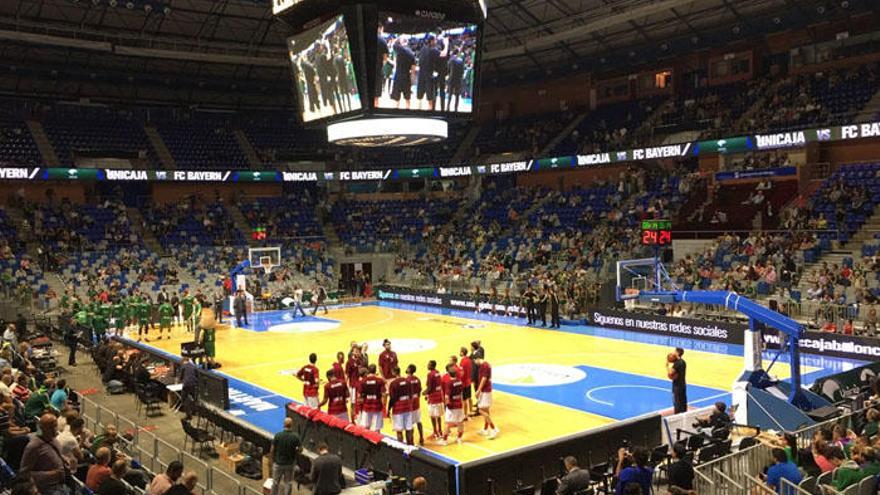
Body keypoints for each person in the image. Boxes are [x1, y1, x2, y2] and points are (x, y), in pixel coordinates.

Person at [20, 413, 70, 495]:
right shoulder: (33, 447)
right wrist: (50, 474)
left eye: (55, 426)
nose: (54, 429)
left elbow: (54, 455)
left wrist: (64, 459)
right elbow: (24, 474)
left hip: (61, 484)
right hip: (46, 488)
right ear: (43, 428)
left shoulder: (54, 440)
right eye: (51, 427)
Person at [269, 417, 301, 495]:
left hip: (278, 464)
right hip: (290, 464)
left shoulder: (278, 435)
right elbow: (300, 449)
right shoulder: (295, 437)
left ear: (284, 425)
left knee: (275, 483)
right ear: (292, 425)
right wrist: (296, 450)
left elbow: (272, 450)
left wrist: (272, 461)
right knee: (288, 483)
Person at [438, 364, 464, 446]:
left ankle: (444, 440)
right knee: (460, 422)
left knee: (447, 423)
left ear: (449, 374)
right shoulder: (460, 381)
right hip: (459, 404)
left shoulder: (449, 383)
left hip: (452, 406)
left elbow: (446, 396)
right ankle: (459, 438)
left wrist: (446, 404)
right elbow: (461, 393)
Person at [388, 366, 414, 444]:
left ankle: (401, 448)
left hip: (398, 408)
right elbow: (411, 394)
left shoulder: (393, 383)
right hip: (407, 407)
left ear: (393, 372)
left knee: (399, 431)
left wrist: (389, 409)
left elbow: (392, 398)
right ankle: (411, 446)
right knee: (409, 428)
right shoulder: (407, 381)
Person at [474, 356, 498, 439]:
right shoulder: (486, 364)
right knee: (486, 411)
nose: (474, 363)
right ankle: (485, 429)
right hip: (487, 390)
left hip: (485, 391)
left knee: (480, 410)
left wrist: (478, 390)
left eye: (474, 360)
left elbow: (484, 379)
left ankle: (493, 428)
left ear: (477, 359)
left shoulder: (484, 366)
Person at [391, 35, 416, 109]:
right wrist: (412, 80)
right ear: (407, 42)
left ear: (401, 42)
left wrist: (398, 39)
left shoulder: (399, 49)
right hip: (406, 76)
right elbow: (413, 70)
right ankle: (407, 112)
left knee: (396, 99)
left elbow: (393, 44)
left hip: (398, 76)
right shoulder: (412, 54)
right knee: (407, 99)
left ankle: (396, 112)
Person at [359, 364, 385, 431]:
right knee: (376, 429)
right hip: (377, 406)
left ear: (368, 371)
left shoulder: (363, 381)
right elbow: (383, 394)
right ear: (375, 370)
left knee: (365, 428)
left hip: (366, 406)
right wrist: (383, 404)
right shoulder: (380, 381)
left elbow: (360, 395)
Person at [404, 364, 424, 446]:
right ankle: (421, 438)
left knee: (410, 424)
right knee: (419, 421)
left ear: (409, 370)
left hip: (410, 404)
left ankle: (410, 442)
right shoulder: (417, 379)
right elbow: (420, 390)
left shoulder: (407, 380)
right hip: (417, 403)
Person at [424, 360, 444, 440]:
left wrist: (424, 393)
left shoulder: (430, 374)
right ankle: (440, 430)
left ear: (432, 366)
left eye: (428, 364)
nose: (427, 365)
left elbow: (429, 388)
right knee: (438, 415)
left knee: (432, 416)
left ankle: (435, 432)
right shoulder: (438, 372)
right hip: (439, 395)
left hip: (433, 397)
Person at [668, 347, 687, 413]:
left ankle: (677, 416)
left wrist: (667, 366)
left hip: (677, 386)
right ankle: (684, 414)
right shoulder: (683, 362)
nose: (673, 352)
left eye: (674, 351)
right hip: (683, 384)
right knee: (683, 401)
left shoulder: (677, 363)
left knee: (677, 402)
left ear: (677, 353)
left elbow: (670, 374)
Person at [459, 347, 474, 417]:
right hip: (469, 381)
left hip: (464, 382)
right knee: (470, 397)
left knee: (464, 399)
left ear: (462, 353)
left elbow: (462, 373)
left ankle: (465, 414)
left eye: (460, 351)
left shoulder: (462, 361)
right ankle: (470, 411)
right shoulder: (469, 360)